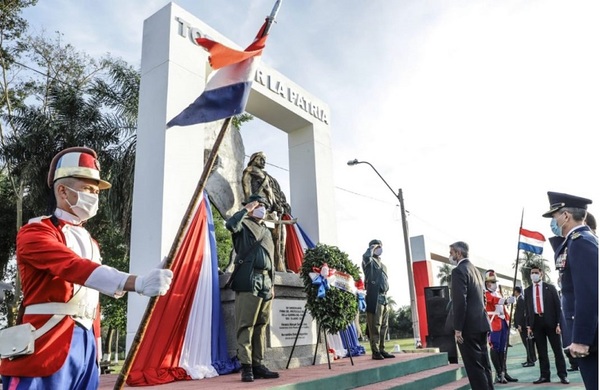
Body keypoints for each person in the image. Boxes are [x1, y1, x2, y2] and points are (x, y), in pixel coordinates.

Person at [0, 147, 173, 389]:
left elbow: (91, 300)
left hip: (86, 343)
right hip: (46, 339)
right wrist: (137, 283)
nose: (94, 197)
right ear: (62, 190)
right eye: (88, 190)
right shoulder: (36, 231)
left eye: (96, 191)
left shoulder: (91, 241)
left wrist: (96, 350)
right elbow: (71, 266)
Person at [542, 192, 598, 389]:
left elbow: (589, 294)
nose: (553, 221)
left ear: (565, 216)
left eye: (555, 216)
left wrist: (581, 339)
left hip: (590, 338)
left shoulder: (581, 242)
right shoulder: (576, 241)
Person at [226, 194, 279, 382]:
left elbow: (272, 260)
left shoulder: (266, 230)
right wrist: (246, 209)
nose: (262, 208)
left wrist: (272, 284)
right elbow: (230, 225)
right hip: (249, 278)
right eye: (258, 205)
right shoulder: (243, 224)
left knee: (261, 324)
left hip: (265, 281)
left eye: (264, 205)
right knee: (245, 324)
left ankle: (258, 364)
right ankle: (246, 366)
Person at [447, 241, 494, 389]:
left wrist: (458, 328)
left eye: (451, 253)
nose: (450, 256)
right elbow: (484, 298)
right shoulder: (476, 271)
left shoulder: (458, 271)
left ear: (459, 253)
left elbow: (460, 301)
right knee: (485, 365)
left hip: (468, 327)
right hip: (481, 323)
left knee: (475, 369)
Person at [242, 151, 291, 272]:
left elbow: (270, 192)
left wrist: (277, 205)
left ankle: (279, 264)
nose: (263, 162)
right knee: (253, 235)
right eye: (260, 159)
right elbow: (246, 187)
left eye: (264, 159)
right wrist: (250, 206)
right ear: (253, 159)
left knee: (279, 234)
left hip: (269, 209)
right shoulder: (249, 170)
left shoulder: (267, 176)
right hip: (257, 206)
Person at [524, 265, 569, 384]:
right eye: (532, 273)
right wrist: (528, 326)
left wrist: (559, 323)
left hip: (551, 323)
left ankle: (563, 375)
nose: (533, 274)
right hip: (536, 324)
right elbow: (527, 310)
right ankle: (545, 376)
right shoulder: (527, 291)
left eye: (536, 272)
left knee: (557, 350)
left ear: (541, 274)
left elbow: (558, 308)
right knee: (542, 352)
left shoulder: (550, 288)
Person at [362, 239, 395, 360]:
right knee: (375, 325)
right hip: (374, 298)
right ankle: (375, 351)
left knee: (384, 326)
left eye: (380, 246)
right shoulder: (369, 262)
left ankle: (382, 348)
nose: (379, 249)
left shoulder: (383, 265)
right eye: (377, 247)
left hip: (384, 297)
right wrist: (371, 248)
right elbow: (366, 257)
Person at [483, 270, 518, 383]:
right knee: (495, 347)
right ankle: (499, 373)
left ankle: (504, 372)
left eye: (494, 281)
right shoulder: (485, 293)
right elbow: (494, 301)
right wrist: (506, 300)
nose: (493, 284)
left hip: (503, 322)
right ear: (486, 283)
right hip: (493, 323)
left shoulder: (498, 292)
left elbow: (502, 306)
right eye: (490, 282)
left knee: (503, 349)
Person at [513, 286, 537, 367]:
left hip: (522, 326)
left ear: (516, 291)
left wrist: (520, 324)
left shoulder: (521, 300)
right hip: (522, 325)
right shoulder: (520, 299)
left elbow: (522, 314)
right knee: (526, 343)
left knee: (527, 343)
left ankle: (531, 360)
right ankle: (529, 359)